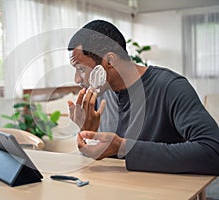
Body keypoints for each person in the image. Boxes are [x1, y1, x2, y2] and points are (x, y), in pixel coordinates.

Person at [67, 19, 219, 175]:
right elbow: (99, 161)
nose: (77, 80)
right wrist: (88, 133)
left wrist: (124, 147)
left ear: (109, 61)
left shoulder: (170, 87)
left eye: (81, 69)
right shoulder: (100, 94)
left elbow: (213, 151)